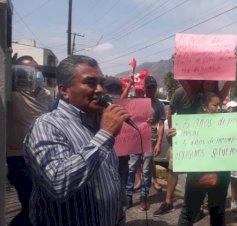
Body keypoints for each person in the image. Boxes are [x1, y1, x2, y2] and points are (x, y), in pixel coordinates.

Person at [23, 55, 131, 226]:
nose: (100, 90)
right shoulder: (47, 126)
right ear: (64, 91)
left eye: (101, 83)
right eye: (90, 83)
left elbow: (110, 178)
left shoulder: (99, 124)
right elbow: (58, 183)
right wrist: (105, 135)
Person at [6, 55, 52, 226]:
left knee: (38, 205)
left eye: (37, 69)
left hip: (43, 156)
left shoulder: (46, 94)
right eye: (30, 70)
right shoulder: (10, 93)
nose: (36, 73)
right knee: (32, 205)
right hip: (19, 157)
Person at [175, 93, 230, 225]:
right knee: (189, 211)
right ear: (205, 107)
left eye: (220, 105)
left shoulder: (228, 123)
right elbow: (179, 145)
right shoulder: (192, 124)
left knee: (217, 213)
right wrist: (171, 135)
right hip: (197, 175)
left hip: (221, 175)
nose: (218, 108)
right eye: (215, 105)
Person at [153, 81, 203, 216]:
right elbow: (170, 113)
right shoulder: (179, 93)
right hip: (182, 136)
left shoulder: (204, 91)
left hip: (202, 137)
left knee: (198, 171)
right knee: (173, 168)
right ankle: (168, 202)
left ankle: (198, 205)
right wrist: (171, 132)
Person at [126, 75, 166, 211]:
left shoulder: (159, 104)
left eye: (153, 87)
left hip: (151, 139)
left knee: (147, 169)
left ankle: (144, 196)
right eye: (148, 87)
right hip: (136, 140)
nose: (151, 90)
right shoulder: (136, 101)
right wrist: (129, 84)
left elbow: (161, 124)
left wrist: (160, 143)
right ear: (144, 88)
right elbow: (122, 103)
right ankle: (128, 196)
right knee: (131, 167)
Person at [103, 76, 130, 211]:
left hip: (122, 157)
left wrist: (145, 124)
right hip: (105, 159)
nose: (113, 94)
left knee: (121, 190)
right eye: (110, 90)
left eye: (117, 90)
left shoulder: (125, 106)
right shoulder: (96, 109)